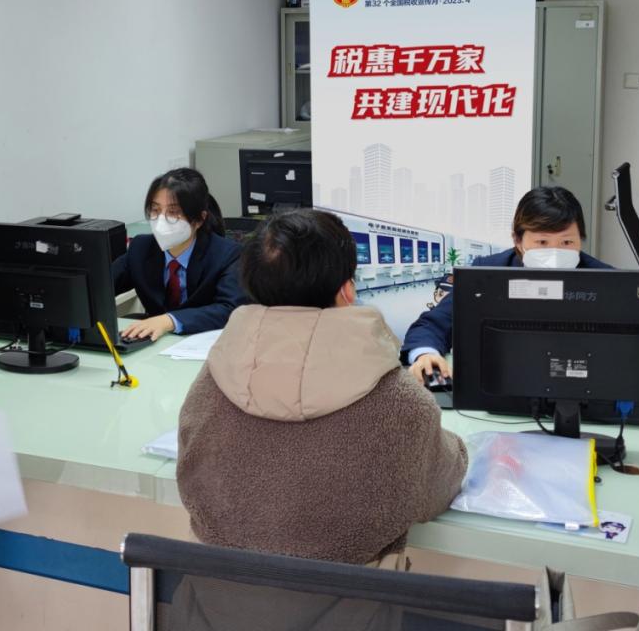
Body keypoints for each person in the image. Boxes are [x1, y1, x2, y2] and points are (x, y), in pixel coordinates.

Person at [177, 209, 467, 568]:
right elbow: (437, 490)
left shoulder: (210, 381)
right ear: (347, 290)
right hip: (351, 601)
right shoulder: (402, 403)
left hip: (213, 595)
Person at [403, 186, 612, 381]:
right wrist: (426, 355)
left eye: (567, 242)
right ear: (518, 241)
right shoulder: (486, 272)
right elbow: (433, 325)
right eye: (542, 242)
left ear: (580, 239)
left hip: (581, 380)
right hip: (503, 380)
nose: (555, 253)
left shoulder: (608, 281)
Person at [112, 167, 247, 341]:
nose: (161, 221)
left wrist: (169, 321)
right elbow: (102, 286)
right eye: (155, 210)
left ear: (199, 219)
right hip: (156, 343)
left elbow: (230, 309)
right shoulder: (140, 248)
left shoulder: (228, 255)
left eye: (173, 212)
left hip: (205, 342)